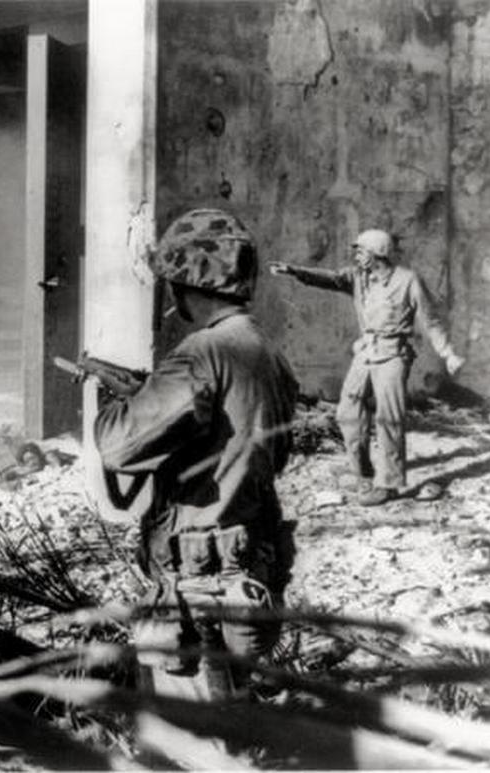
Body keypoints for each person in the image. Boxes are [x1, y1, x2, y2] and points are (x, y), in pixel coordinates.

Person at [95, 208, 299, 701]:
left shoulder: (201, 352)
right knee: (230, 714)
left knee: (192, 737)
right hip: (248, 566)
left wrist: (115, 404)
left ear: (184, 281)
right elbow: (256, 447)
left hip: (198, 582)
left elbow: (119, 447)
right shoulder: (266, 352)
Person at [270, 229, 465, 505]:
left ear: (378, 254)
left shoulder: (408, 281)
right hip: (366, 351)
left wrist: (448, 354)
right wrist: (294, 271)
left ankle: (388, 484)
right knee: (347, 410)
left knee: (389, 418)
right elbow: (332, 278)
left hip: (393, 355)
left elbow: (431, 321)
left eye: (361, 251)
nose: (356, 255)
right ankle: (362, 472)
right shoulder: (358, 277)